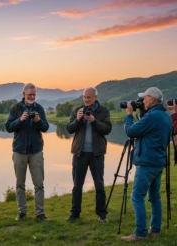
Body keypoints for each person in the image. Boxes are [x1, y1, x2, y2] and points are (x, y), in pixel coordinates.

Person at [121, 87, 172, 241]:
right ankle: (155, 230)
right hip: (158, 162)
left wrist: (129, 115)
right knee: (154, 197)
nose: (142, 101)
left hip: (147, 162)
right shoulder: (164, 115)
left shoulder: (152, 116)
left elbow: (131, 131)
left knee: (137, 197)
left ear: (152, 99)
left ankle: (140, 233)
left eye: (145, 98)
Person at [66, 87, 111, 223]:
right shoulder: (77, 110)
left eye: (89, 97)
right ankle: (75, 214)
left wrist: (93, 120)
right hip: (79, 153)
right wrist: (78, 119)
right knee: (77, 185)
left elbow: (107, 129)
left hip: (97, 153)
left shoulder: (103, 111)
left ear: (95, 97)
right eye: (84, 97)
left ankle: (101, 214)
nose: (86, 100)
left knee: (99, 184)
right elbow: (69, 129)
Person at [5, 83, 50, 221]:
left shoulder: (39, 109)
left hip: (36, 151)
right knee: (20, 184)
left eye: (34, 95)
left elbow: (45, 127)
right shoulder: (15, 108)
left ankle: (40, 213)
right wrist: (20, 119)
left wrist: (38, 120)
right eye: (29, 94)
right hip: (19, 150)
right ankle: (22, 212)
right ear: (23, 94)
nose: (32, 97)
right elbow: (8, 127)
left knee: (39, 184)